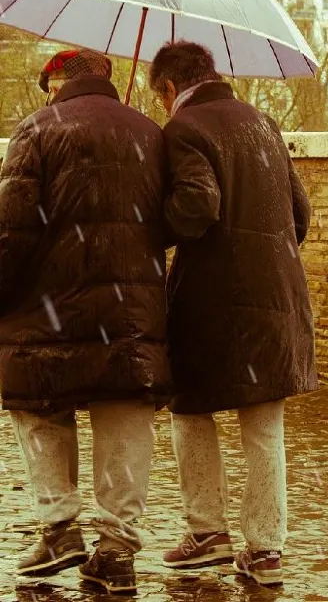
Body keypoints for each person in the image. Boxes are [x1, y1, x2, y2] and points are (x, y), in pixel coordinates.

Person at [0, 48, 171, 595]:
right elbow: (171, 221)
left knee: (39, 406)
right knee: (125, 413)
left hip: (49, 307)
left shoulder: (37, 129)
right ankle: (117, 549)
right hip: (130, 308)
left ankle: (58, 528)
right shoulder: (151, 133)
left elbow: (13, 228)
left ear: (55, 82)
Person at [149, 40, 317, 588]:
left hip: (213, 299)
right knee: (264, 422)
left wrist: (155, 229)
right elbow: (300, 213)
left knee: (189, 408)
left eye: (159, 99)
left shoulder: (183, 129)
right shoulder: (262, 122)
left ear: (169, 88)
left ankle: (206, 532)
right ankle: (266, 550)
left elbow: (198, 206)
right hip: (278, 295)